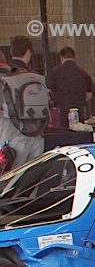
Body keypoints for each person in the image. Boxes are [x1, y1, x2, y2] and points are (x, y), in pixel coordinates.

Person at [0, 36, 46, 169]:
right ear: (28, 52)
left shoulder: (5, 79)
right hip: (36, 135)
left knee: (9, 184)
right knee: (31, 182)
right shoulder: (33, 76)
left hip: (11, 137)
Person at [47, 47, 93, 128]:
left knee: (63, 132)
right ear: (74, 57)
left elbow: (49, 92)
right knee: (78, 130)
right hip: (79, 108)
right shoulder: (82, 72)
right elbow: (89, 95)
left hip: (61, 109)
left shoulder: (55, 71)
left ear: (61, 57)